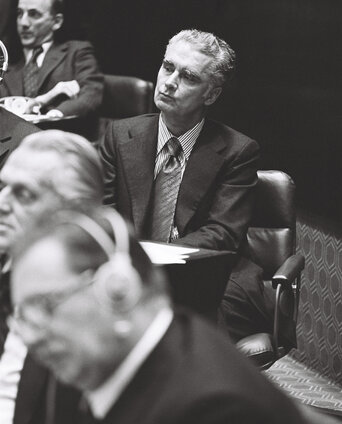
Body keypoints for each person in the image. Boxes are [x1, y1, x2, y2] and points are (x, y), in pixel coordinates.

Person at [9, 206, 342, 424]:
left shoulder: (216, 417)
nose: (30, 336)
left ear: (118, 290)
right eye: (22, 315)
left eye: (44, 306)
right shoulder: (90, 358)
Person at [99, 28, 285, 345]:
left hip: (208, 277)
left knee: (175, 333)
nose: (170, 82)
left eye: (188, 77)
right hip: (128, 268)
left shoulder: (237, 151)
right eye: (167, 67)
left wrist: (155, 259)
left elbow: (222, 234)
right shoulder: (120, 135)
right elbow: (102, 212)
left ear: (210, 95)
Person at [0, 129, 103, 424]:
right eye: (2, 186)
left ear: (73, 212)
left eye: (24, 194)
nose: (1, 203)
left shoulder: (95, 314)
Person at [0, 0, 104, 118]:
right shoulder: (6, 63)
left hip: (63, 132)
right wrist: (49, 96)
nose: (23, 22)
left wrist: (53, 115)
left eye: (34, 14)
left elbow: (91, 93)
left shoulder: (76, 52)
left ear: (56, 21)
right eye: (20, 13)